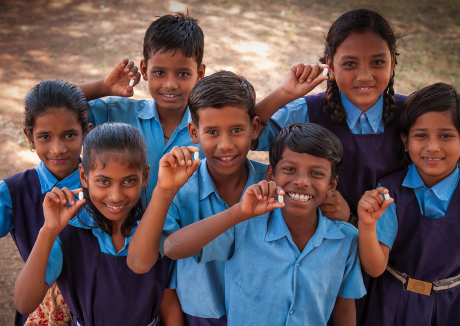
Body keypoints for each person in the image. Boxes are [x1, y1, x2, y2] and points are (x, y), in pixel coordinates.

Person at [164, 123, 366, 326]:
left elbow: (344, 307)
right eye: (289, 169)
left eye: (317, 173)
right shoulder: (245, 226)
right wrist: (239, 212)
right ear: (270, 174)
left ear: (332, 185)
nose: (302, 182)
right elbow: (173, 247)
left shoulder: (345, 240)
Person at [128, 71, 266, 325]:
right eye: (212, 132)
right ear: (194, 132)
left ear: (254, 128)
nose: (225, 145)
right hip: (200, 319)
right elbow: (139, 262)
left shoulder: (270, 184)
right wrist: (164, 191)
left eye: (236, 130)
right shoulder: (181, 190)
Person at [13, 123, 180, 326]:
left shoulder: (160, 226)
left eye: (129, 181)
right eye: (103, 181)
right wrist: (49, 231)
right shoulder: (70, 232)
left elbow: (168, 302)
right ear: (84, 176)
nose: (116, 196)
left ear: (145, 176)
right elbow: (23, 304)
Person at [253, 8, 407, 222]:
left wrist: (351, 218)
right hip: (321, 245)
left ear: (392, 63)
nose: (364, 76)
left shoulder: (412, 114)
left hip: (395, 246)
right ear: (330, 66)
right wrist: (284, 94)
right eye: (350, 63)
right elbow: (248, 134)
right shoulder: (306, 112)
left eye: (378, 62)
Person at [357, 83, 460, 326]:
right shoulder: (388, 192)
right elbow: (375, 268)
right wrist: (367, 225)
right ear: (405, 141)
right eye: (421, 135)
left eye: (446, 135)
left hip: (450, 308)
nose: (432, 146)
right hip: (388, 305)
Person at [77, 12, 206, 204]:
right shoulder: (117, 113)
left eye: (183, 74)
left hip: (185, 232)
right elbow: (49, 104)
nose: (170, 84)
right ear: (144, 70)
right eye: (160, 72)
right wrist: (103, 86)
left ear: (200, 73)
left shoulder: (209, 128)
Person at [0, 80, 92, 326]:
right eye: (44, 137)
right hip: (36, 310)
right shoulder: (13, 192)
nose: (58, 148)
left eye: (70, 135)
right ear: (30, 138)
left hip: (93, 311)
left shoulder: (105, 190)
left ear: (87, 132)